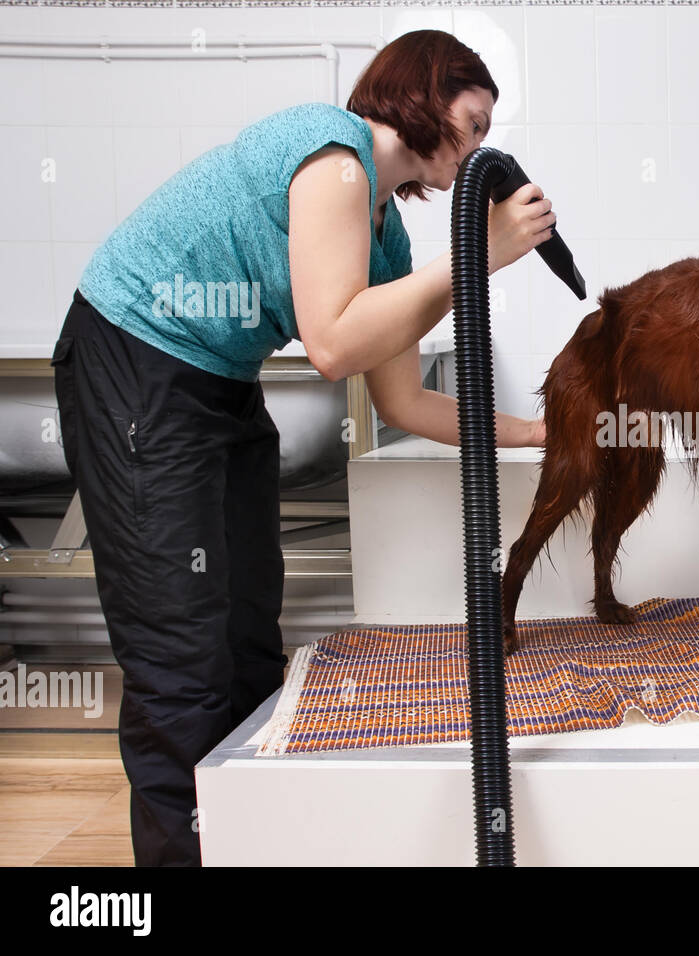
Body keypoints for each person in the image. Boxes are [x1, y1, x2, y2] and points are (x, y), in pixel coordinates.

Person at [49, 30, 551, 866]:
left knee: (248, 638)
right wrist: (478, 254)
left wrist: (537, 432)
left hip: (219, 382)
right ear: (424, 94)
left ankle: (245, 844)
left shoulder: (385, 240)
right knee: (183, 658)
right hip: (136, 359)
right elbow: (331, 345)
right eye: (473, 121)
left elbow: (403, 401)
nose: (479, 146)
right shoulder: (335, 153)